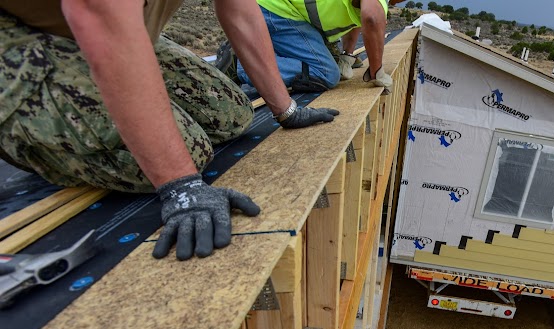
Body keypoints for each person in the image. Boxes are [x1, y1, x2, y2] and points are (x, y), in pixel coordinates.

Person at [0, 0, 339, 261]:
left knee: (231, 115)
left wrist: (287, 110)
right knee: (185, 154)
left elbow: (240, 10)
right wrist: (182, 185)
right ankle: (28, 130)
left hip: (104, 23)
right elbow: (97, 11)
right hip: (23, 34)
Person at [227, 0, 406, 94]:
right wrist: (377, 72)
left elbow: (358, 19)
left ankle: (258, 49)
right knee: (326, 73)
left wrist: (347, 56)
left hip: (277, 9)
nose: (399, 2)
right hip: (276, 12)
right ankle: (242, 64)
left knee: (328, 62)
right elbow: (372, 19)